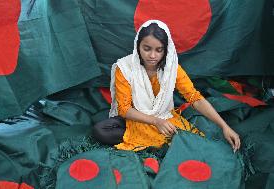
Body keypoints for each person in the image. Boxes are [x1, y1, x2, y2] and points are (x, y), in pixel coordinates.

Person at [93, 20, 240, 152]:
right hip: (135, 118)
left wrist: (224, 127)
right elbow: (124, 109)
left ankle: (153, 140)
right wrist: (156, 121)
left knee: (187, 138)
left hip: (165, 118)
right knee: (100, 131)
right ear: (138, 46)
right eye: (147, 48)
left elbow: (195, 98)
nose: (152, 55)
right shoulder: (124, 68)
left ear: (165, 50)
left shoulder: (172, 68)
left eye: (159, 50)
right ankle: (156, 140)